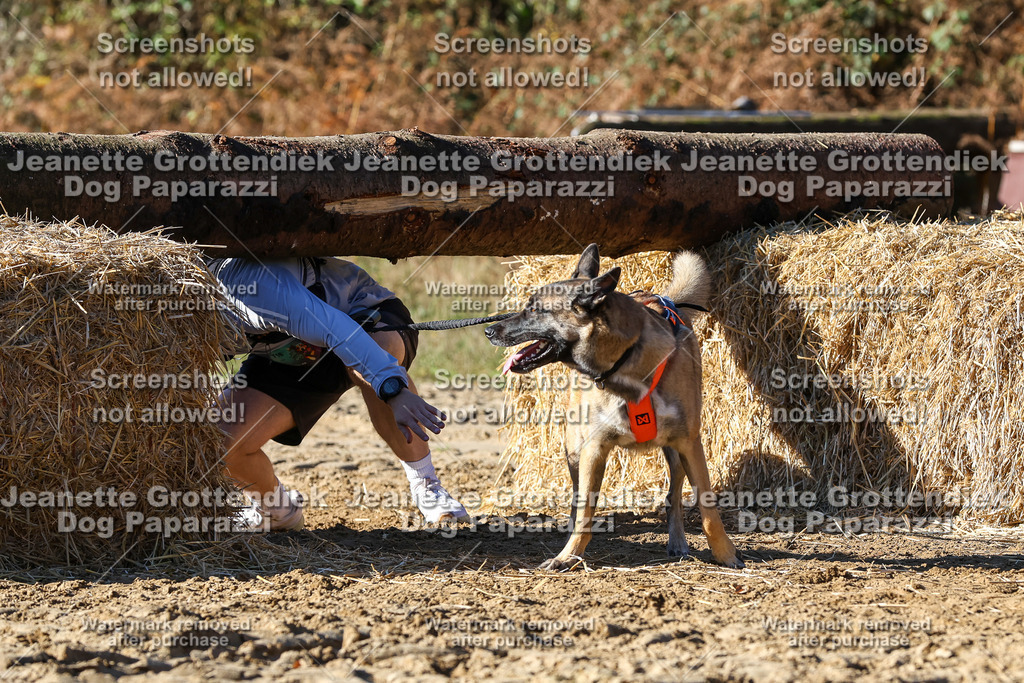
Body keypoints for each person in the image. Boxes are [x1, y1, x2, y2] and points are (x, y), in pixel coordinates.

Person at [206, 256, 468, 530]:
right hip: (285, 350)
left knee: (377, 355)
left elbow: (338, 330)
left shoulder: (250, 287)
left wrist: (393, 389)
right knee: (215, 441)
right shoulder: (170, 310)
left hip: (354, 315)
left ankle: (426, 484)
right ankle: (276, 511)